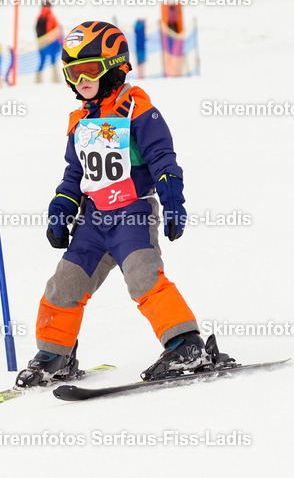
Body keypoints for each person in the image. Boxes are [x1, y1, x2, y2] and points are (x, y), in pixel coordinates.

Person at [14, 21, 230, 388]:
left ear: (114, 67)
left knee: (143, 278)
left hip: (133, 215)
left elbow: (163, 159)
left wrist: (173, 201)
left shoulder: (137, 111)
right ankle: (55, 354)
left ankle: (186, 344)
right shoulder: (80, 121)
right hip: (94, 220)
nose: (82, 80)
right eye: (73, 73)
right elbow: (74, 174)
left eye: (89, 70)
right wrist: (60, 210)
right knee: (64, 284)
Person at [34, 1, 61, 83]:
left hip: (41, 43)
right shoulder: (51, 17)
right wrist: (60, 42)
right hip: (51, 43)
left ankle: (38, 79)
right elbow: (57, 30)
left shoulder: (40, 17)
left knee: (42, 61)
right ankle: (56, 79)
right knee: (53, 61)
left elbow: (37, 30)